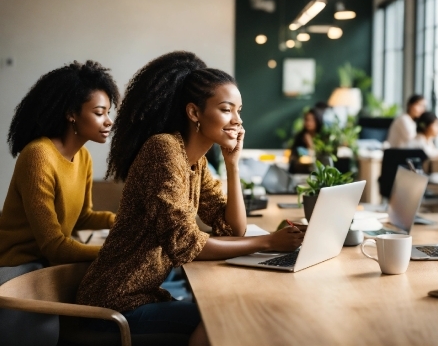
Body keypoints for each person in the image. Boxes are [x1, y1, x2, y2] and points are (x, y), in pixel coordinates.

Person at [76, 51, 304, 346]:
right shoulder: (163, 150)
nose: (237, 120)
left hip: (140, 297)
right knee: (221, 318)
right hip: (111, 306)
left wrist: (232, 164)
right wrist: (270, 242)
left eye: (239, 110)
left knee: (224, 313)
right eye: (226, 110)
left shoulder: (196, 162)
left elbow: (232, 229)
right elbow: (185, 244)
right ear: (194, 113)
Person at [0, 60, 120, 345]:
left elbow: (83, 217)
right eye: (99, 113)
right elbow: (53, 244)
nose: (108, 121)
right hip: (17, 272)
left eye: (108, 113)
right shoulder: (38, 156)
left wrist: (125, 221)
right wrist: (115, 250)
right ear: (71, 115)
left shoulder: (83, 157)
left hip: (46, 267)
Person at [288, 108, 324, 173]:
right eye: (307, 120)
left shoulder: (323, 137)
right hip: (300, 170)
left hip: (317, 171)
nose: (308, 123)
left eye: (312, 120)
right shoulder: (299, 136)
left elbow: (319, 157)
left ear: (317, 121)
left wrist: (310, 144)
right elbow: (293, 157)